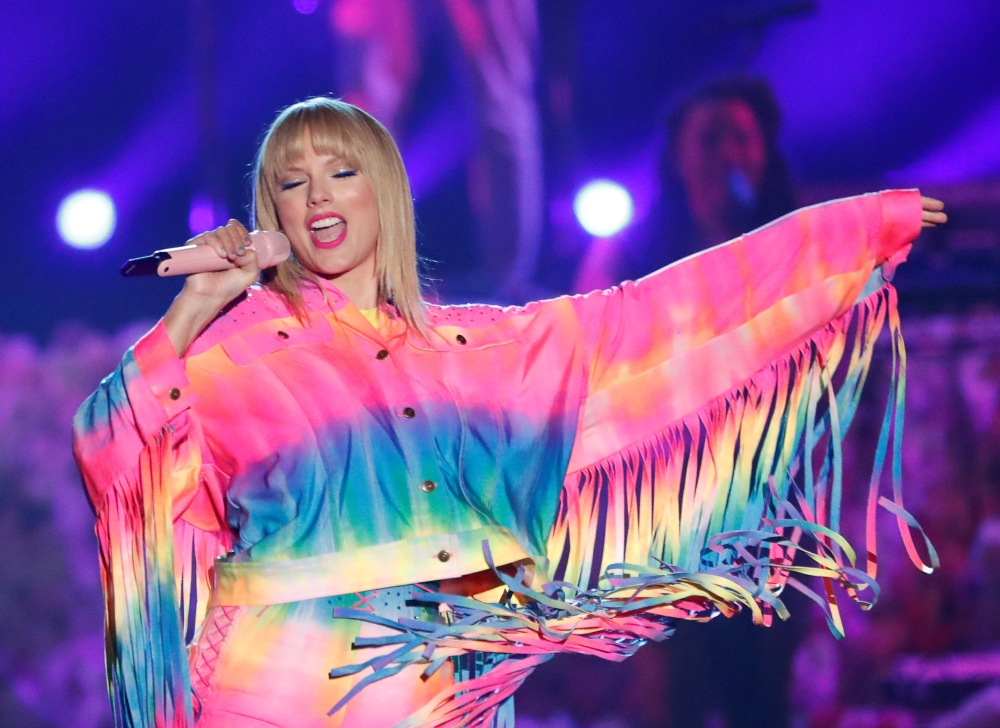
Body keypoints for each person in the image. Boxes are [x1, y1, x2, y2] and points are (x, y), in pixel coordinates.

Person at [73, 97, 947, 728]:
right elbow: (113, 455)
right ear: (273, 211)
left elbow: (664, 314)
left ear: (385, 192)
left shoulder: (482, 350)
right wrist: (190, 313)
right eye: (292, 183)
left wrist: (853, 230)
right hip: (280, 685)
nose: (320, 197)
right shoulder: (232, 357)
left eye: (342, 171)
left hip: (449, 687)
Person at [574, 76, 797, 294]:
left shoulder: (799, 237)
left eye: (742, 138)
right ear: (677, 157)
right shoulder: (621, 254)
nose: (729, 155)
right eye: (709, 139)